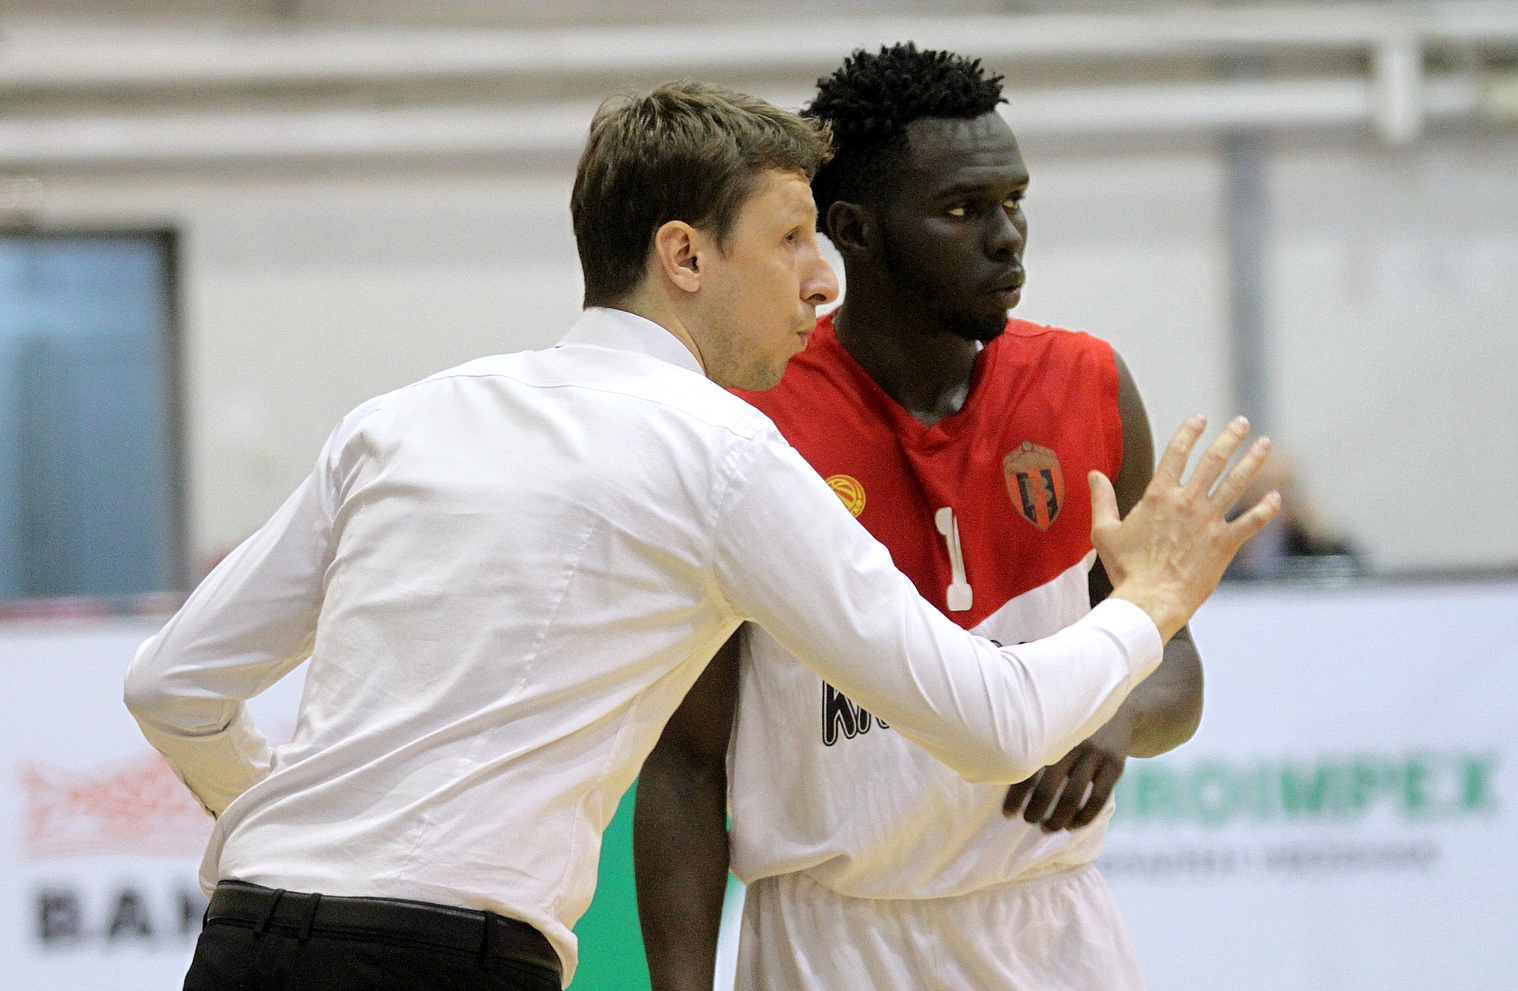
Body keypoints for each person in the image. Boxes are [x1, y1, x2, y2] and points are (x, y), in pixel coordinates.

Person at [126, 81, 1276, 991]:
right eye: (790, 240)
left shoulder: (401, 417)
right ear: (685, 257)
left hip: (245, 938)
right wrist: (1150, 600)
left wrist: (302, 836)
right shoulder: (723, 451)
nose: (818, 281)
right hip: (453, 957)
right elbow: (994, 724)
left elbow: (170, 685)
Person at [636, 47, 1219, 991]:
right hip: (830, 938)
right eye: (962, 209)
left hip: (1052, 926)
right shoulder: (750, 421)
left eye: (1013, 200)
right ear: (854, 231)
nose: (1007, 236)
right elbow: (686, 761)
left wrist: (1113, 715)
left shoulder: (1089, 387)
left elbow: (1175, 667)